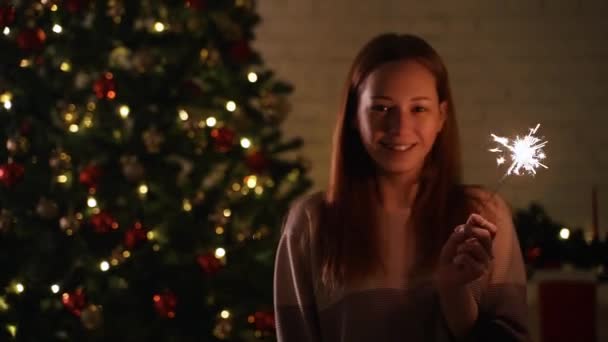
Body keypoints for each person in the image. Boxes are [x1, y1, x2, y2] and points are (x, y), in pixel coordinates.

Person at [273, 33, 529, 341]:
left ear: (441, 116)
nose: (399, 127)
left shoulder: (485, 217)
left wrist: (456, 295)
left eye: (419, 109)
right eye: (381, 108)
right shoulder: (310, 223)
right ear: (355, 115)